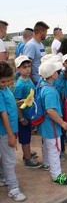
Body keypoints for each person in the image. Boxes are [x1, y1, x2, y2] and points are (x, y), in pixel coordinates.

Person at [38, 61, 67, 185]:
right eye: (57, 71)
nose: (59, 73)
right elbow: (50, 110)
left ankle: (47, 164)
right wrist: (62, 122)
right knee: (55, 149)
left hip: (44, 125)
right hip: (52, 125)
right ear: (53, 75)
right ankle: (56, 175)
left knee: (47, 146)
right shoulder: (50, 91)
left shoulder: (41, 84)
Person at [0, 61, 26, 201]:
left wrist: (19, 102)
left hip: (9, 130)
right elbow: (3, 113)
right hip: (5, 132)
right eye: (3, 81)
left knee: (5, 158)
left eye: (7, 81)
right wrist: (10, 135)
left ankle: (3, 178)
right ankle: (13, 188)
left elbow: (9, 107)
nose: (5, 83)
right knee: (9, 160)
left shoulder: (5, 90)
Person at [13, 55, 42, 168]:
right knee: (25, 138)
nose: (27, 69)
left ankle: (28, 153)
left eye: (29, 66)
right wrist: (21, 118)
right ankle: (27, 159)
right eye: (24, 67)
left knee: (28, 136)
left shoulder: (28, 79)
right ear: (18, 69)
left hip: (29, 115)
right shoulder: (19, 84)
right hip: (23, 117)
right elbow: (16, 103)